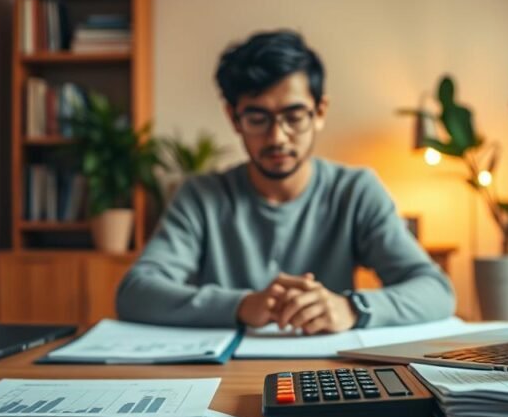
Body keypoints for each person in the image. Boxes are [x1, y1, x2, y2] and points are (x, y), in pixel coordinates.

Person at [116, 30, 455, 333]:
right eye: (257, 118)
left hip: (327, 375)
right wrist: (242, 305)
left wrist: (351, 308)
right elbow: (135, 292)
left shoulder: (355, 191)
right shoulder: (201, 197)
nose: (278, 137)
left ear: (319, 112)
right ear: (234, 118)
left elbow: (436, 290)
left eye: (294, 117)